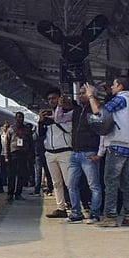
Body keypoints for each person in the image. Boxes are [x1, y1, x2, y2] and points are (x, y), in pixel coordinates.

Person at [83, 78, 129, 227]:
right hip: (128, 145)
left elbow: (99, 112)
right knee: (126, 183)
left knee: (111, 182)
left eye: (113, 85)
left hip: (117, 145)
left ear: (120, 86)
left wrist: (91, 96)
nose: (112, 87)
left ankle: (110, 217)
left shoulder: (121, 99)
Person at [68, 86, 104, 223]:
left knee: (93, 185)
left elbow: (99, 120)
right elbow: (59, 118)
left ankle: (95, 214)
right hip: (75, 152)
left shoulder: (94, 108)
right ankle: (76, 213)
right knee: (71, 184)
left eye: (83, 93)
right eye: (80, 93)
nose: (80, 95)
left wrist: (99, 153)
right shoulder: (77, 111)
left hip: (90, 151)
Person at [40, 88, 73, 219]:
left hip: (65, 151)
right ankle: (61, 207)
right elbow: (41, 135)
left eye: (53, 98)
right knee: (56, 183)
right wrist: (40, 122)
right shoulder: (47, 116)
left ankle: (76, 207)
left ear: (59, 98)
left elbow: (68, 129)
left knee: (69, 181)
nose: (51, 101)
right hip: (50, 153)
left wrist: (55, 119)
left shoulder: (67, 113)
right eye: (49, 99)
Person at [5, 112, 31, 202]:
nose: (21, 119)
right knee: (11, 175)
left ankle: (18, 193)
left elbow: (30, 143)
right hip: (13, 154)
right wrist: (6, 155)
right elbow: (7, 143)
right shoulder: (11, 129)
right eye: (19, 117)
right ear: (15, 118)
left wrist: (31, 155)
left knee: (21, 175)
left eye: (22, 117)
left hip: (23, 154)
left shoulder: (27, 129)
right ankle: (10, 193)